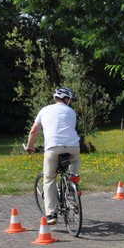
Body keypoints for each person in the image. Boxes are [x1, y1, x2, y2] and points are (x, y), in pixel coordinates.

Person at [25, 87, 81, 224]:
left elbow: (33, 131)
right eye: (71, 100)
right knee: (74, 161)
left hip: (53, 147)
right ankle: (72, 185)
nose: (71, 103)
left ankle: (51, 215)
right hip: (73, 147)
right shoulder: (71, 112)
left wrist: (30, 147)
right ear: (66, 99)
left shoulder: (44, 110)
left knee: (49, 178)